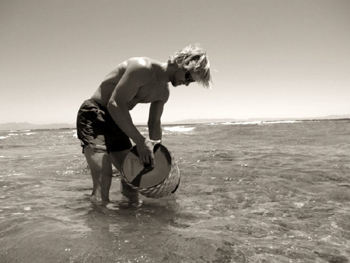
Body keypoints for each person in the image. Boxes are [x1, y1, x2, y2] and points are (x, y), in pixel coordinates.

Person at [76, 44, 212, 206]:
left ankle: (131, 225)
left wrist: (157, 154)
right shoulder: (142, 68)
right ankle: (99, 227)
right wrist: (140, 142)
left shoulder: (163, 93)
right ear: (182, 63)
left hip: (117, 120)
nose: (187, 84)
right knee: (104, 178)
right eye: (189, 78)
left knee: (132, 179)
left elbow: (154, 123)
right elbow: (114, 104)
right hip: (95, 114)